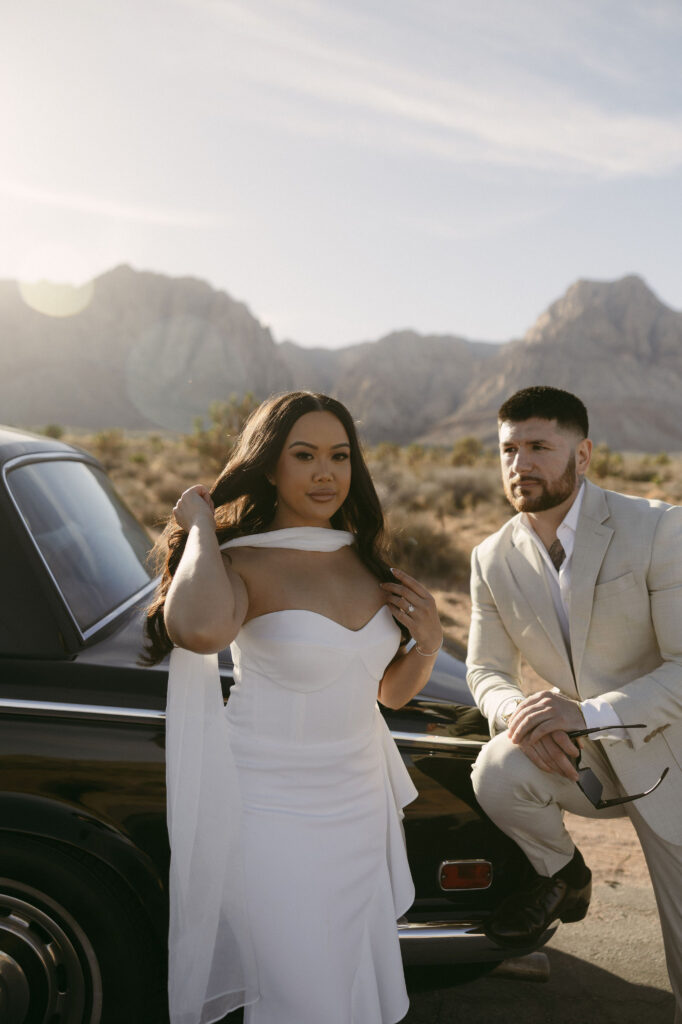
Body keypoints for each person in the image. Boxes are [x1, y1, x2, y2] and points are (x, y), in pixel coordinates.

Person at [144, 391, 443, 1024]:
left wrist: (430, 643)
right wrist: (201, 527)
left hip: (359, 807)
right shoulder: (241, 562)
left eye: (339, 456)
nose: (325, 473)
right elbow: (196, 632)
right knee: (298, 994)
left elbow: (388, 693)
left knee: (342, 989)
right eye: (303, 455)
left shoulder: (364, 557)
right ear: (270, 465)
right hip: (267, 812)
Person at [466, 386, 682, 1022]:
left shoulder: (659, 526)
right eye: (508, 450)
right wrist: (518, 716)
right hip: (581, 760)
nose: (520, 464)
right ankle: (565, 874)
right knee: (497, 769)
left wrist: (582, 713)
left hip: (671, 752)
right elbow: (484, 670)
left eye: (538, 447)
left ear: (582, 454)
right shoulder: (491, 557)